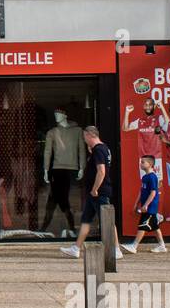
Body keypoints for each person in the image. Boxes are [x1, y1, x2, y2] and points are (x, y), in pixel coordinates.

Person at [61, 126, 120, 259]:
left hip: (99, 192)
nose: (84, 139)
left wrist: (95, 189)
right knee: (86, 220)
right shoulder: (103, 148)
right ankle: (76, 248)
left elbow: (102, 171)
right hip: (93, 194)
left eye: (84, 136)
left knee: (108, 221)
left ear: (89, 135)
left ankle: (116, 249)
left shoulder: (99, 150)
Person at [41, 108, 83, 237]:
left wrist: (82, 167)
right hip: (57, 169)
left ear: (65, 115)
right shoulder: (52, 132)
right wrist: (46, 169)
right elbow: (47, 152)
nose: (56, 117)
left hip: (71, 169)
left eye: (58, 114)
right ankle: (69, 228)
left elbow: (81, 149)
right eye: (54, 115)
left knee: (58, 199)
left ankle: (46, 228)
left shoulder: (78, 131)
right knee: (59, 199)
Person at [123, 155, 167, 254]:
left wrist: (146, 205)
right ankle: (162, 245)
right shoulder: (145, 177)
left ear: (150, 164)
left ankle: (134, 246)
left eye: (143, 162)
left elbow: (153, 193)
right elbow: (141, 191)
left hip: (150, 207)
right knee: (155, 226)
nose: (140, 164)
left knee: (143, 225)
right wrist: (136, 204)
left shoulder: (152, 177)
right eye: (140, 162)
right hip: (146, 206)